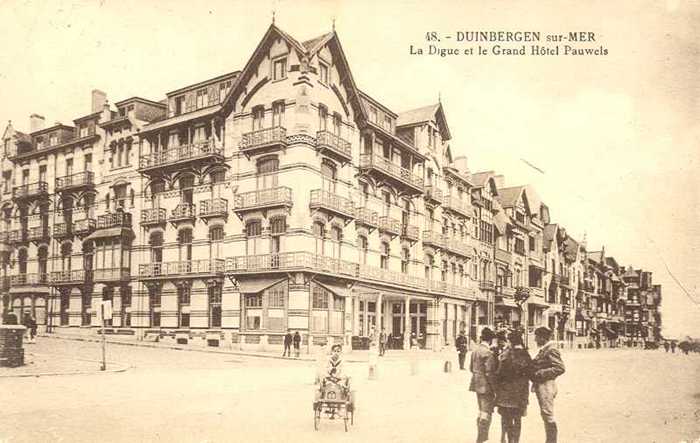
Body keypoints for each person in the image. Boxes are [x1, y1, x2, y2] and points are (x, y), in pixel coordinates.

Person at [495, 329, 532, 443]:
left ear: (510, 341)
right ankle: (515, 441)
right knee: (517, 419)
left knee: (506, 418)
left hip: (506, 392)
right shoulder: (526, 354)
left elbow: (499, 373)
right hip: (520, 393)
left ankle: (504, 438)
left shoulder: (506, 355)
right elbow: (530, 372)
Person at [531, 326, 566, 443]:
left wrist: (541, 373)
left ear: (542, 337)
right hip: (543, 384)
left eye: (537, 337)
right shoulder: (546, 349)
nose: (535, 340)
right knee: (546, 414)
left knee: (548, 414)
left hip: (546, 385)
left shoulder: (551, 349)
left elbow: (560, 368)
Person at [469, 327, 497, 443]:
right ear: (490, 340)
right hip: (486, 386)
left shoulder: (475, 350)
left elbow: (471, 368)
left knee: (481, 411)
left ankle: (482, 436)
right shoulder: (488, 353)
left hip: (476, 384)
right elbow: (489, 372)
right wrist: (495, 388)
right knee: (486, 412)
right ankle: (481, 437)